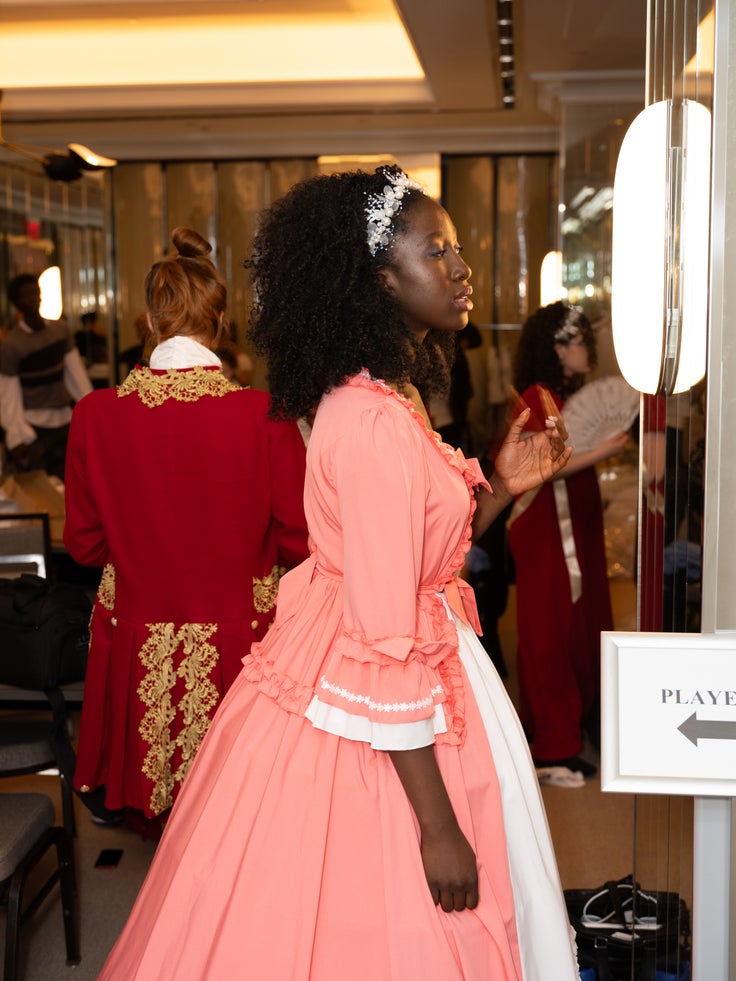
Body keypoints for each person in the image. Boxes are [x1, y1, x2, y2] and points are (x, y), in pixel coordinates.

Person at [98, 169, 578, 980]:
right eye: (437, 251)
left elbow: (422, 562)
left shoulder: (386, 397)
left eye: (459, 250)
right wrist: (435, 824)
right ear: (380, 279)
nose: (461, 269)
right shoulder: (371, 422)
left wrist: (501, 482)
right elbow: (383, 635)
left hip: (409, 665)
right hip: (380, 696)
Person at [63, 227, 310, 829]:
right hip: (241, 635)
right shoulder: (263, 414)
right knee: (239, 820)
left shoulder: (96, 415)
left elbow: (85, 544)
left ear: (148, 321)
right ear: (222, 322)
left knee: (158, 826)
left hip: (137, 631)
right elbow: (302, 538)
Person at [508, 301, 629, 777]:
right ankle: (554, 737)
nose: (588, 353)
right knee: (552, 624)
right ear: (558, 347)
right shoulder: (538, 397)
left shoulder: (556, 395)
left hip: (573, 512)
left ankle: (574, 721)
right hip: (547, 521)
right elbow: (543, 468)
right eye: (582, 343)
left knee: (580, 619)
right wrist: (603, 449)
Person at [0, 272, 93, 480]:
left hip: (65, 420)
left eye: (35, 292)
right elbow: (8, 396)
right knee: (42, 491)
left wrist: (91, 411)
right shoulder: (12, 346)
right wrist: (16, 436)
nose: (33, 298)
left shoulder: (60, 330)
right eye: (26, 295)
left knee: (73, 481)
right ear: (16, 304)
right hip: (34, 427)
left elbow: (76, 374)